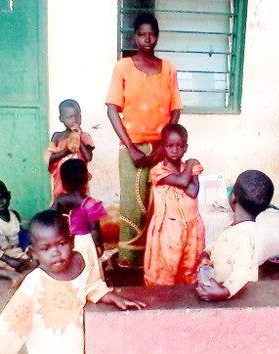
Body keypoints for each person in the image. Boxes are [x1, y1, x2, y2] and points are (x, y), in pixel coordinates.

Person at [0, 210, 145, 354]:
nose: (56, 253)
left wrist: (113, 297)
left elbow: (91, 285)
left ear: (72, 242)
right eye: (46, 249)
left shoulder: (79, 262)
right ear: (34, 253)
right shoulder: (34, 281)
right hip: (47, 347)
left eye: (62, 244)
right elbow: (13, 319)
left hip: (75, 343)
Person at [105, 13, 182, 267]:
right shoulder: (123, 67)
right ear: (134, 37)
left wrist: (162, 146)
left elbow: (175, 110)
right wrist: (132, 149)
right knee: (132, 206)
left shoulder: (168, 68)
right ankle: (129, 259)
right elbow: (112, 111)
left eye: (152, 34)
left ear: (157, 36)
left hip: (163, 149)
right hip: (132, 148)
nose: (147, 39)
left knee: (160, 204)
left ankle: (155, 258)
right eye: (142, 34)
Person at [196, 170, 274, 301]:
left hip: (237, 297)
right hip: (224, 288)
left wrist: (225, 291)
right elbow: (222, 243)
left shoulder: (245, 234)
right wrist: (207, 253)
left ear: (232, 197)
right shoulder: (237, 226)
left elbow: (243, 271)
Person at [144, 124, 205, 285]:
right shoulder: (158, 171)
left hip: (191, 228)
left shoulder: (186, 168)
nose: (175, 150)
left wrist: (192, 171)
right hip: (168, 230)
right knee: (167, 268)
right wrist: (192, 165)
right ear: (162, 147)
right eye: (170, 146)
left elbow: (192, 191)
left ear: (186, 147)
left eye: (179, 146)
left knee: (189, 266)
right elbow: (183, 181)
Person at [51, 158, 106, 261]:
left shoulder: (60, 200)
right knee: (87, 268)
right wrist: (99, 246)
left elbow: (51, 217)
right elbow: (95, 229)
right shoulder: (91, 204)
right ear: (86, 179)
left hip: (65, 242)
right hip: (85, 243)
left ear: (63, 182)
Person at [45, 99, 94, 198]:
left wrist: (77, 137)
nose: (74, 120)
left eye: (77, 116)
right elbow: (49, 158)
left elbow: (88, 157)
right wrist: (66, 151)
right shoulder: (57, 136)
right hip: (61, 183)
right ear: (61, 118)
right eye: (69, 117)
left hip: (80, 184)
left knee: (80, 207)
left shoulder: (85, 137)